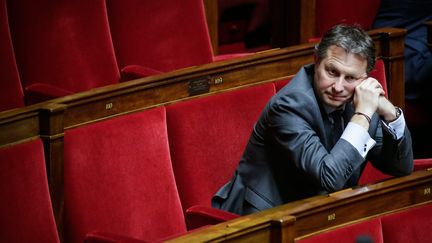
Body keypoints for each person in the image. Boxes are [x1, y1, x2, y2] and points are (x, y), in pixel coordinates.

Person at [212, 24, 414, 215]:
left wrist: (390, 113)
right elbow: (330, 177)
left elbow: (402, 168)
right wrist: (362, 116)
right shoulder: (289, 106)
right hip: (262, 220)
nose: (338, 86)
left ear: (365, 79)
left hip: (317, 213)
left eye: (351, 78)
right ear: (316, 61)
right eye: (332, 72)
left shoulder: (360, 100)